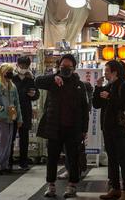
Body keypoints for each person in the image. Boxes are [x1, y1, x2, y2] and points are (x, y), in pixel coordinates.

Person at [36, 54, 89, 198]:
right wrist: (53, 77)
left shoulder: (79, 85)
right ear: (59, 67)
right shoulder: (53, 81)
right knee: (52, 158)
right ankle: (51, 186)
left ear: (74, 68)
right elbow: (37, 81)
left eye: (68, 67)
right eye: (62, 67)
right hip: (54, 127)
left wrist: (84, 129)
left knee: (73, 158)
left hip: (73, 128)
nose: (65, 69)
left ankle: (72, 185)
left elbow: (85, 108)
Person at [94, 60, 125, 200]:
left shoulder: (124, 85)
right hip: (107, 128)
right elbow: (96, 104)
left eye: (107, 70)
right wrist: (98, 88)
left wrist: (110, 97)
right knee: (112, 159)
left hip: (120, 128)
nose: (104, 73)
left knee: (123, 160)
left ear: (115, 72)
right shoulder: (108, 86)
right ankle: (115, 188)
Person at [0, 64, 23, 175]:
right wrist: (0, 109)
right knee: (0, 143)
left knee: (7, 144)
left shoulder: (12, 86)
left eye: (11, 71)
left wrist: (19, 118)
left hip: (11, 118)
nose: (11, 73)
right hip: (0, 118)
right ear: (3, 72)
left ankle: (4, 165)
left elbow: (17, 103)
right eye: (9, 71)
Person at [9, 56, 39, 170]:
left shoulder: (31, 78)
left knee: (24, 137)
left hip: (25, 110)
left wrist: (33, 95)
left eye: (26, 66)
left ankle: (23, 162)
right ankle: (9, 161)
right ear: (17, 65)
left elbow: (37, 94)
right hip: (12, 110)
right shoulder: (11, 77)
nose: (23, 68)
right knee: (10, 137)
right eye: (21, 66)